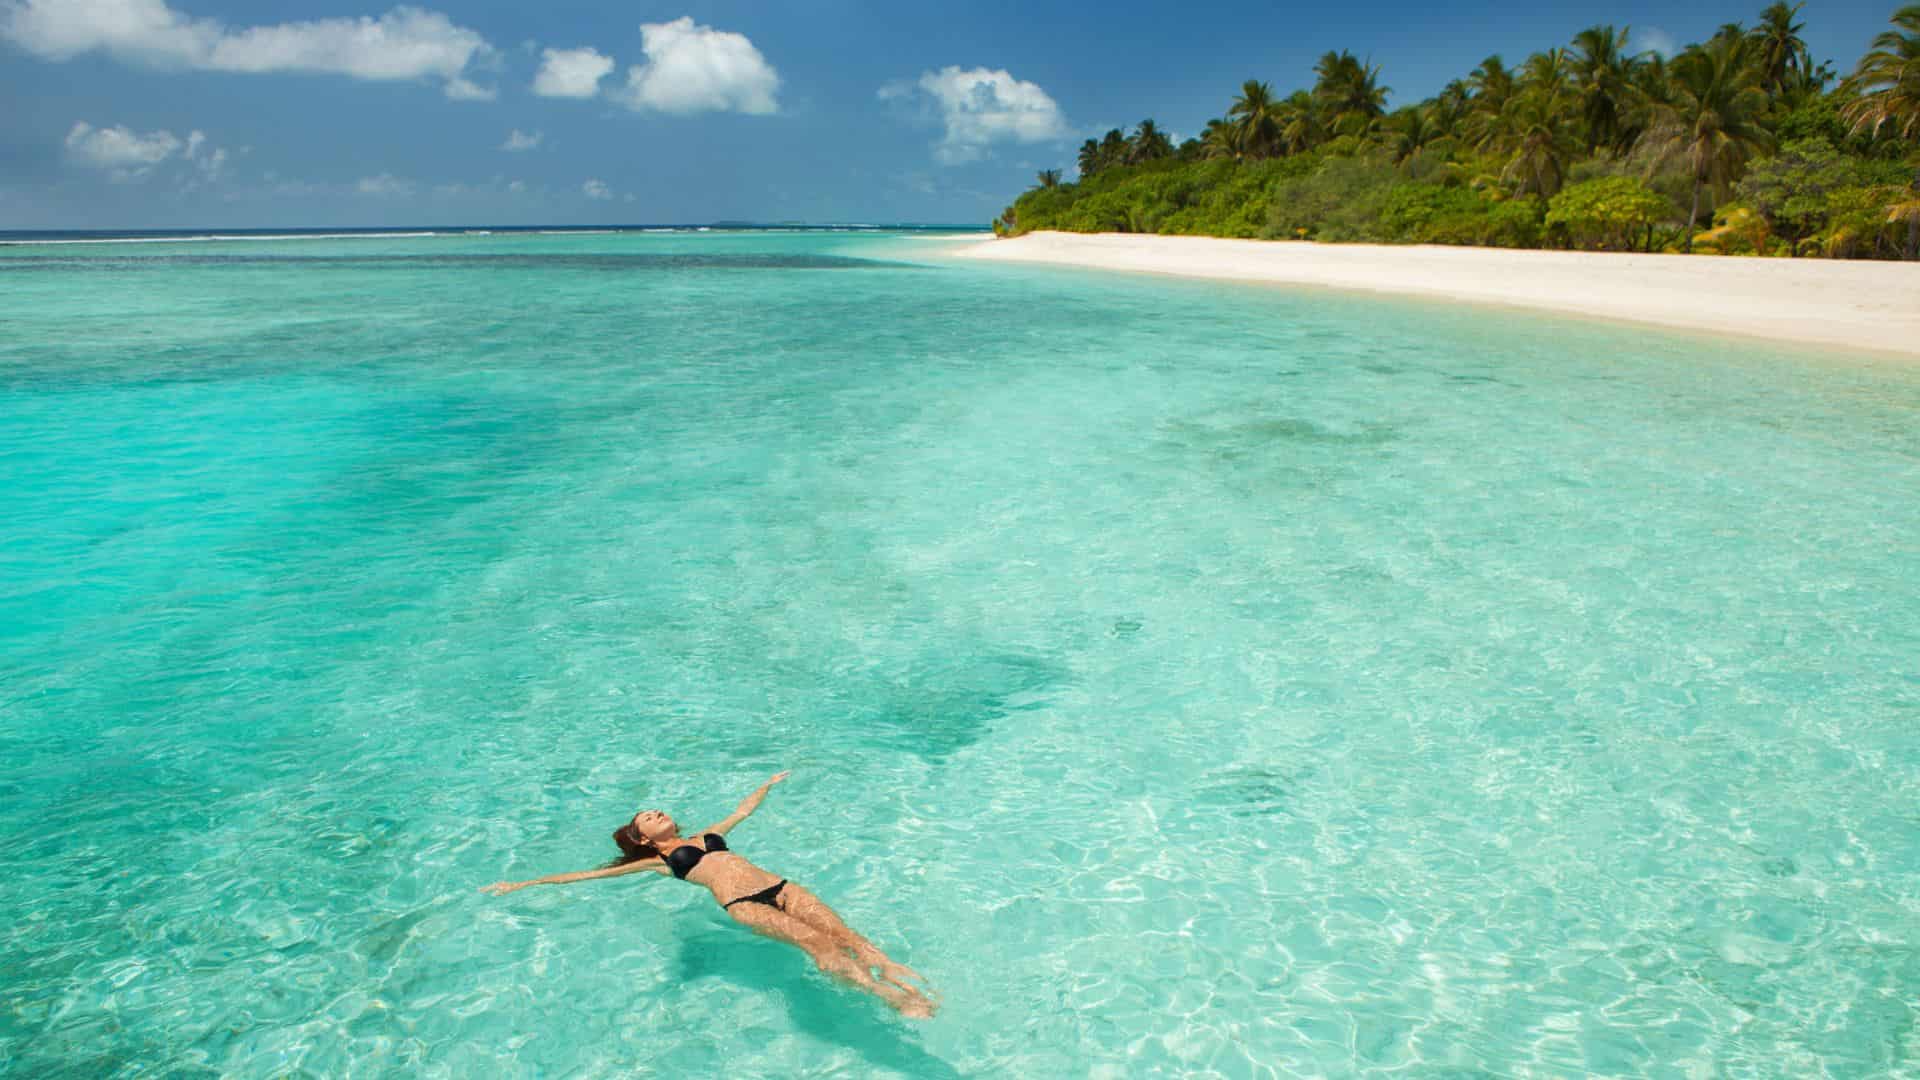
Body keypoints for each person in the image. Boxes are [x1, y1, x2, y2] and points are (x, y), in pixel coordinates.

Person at [481, 771, 936, 1017]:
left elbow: (742, 810)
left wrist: (767, 786)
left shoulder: (710, 833)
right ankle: (885, 996)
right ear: (642, 837)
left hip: (781, 886)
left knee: (845, 933)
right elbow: (586, 876)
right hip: (744, 905)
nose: (658, 813)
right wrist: (522, 884)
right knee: (817, 944)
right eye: (649, 817)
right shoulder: (656, 862)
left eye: (658, 810)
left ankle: (899, 976)